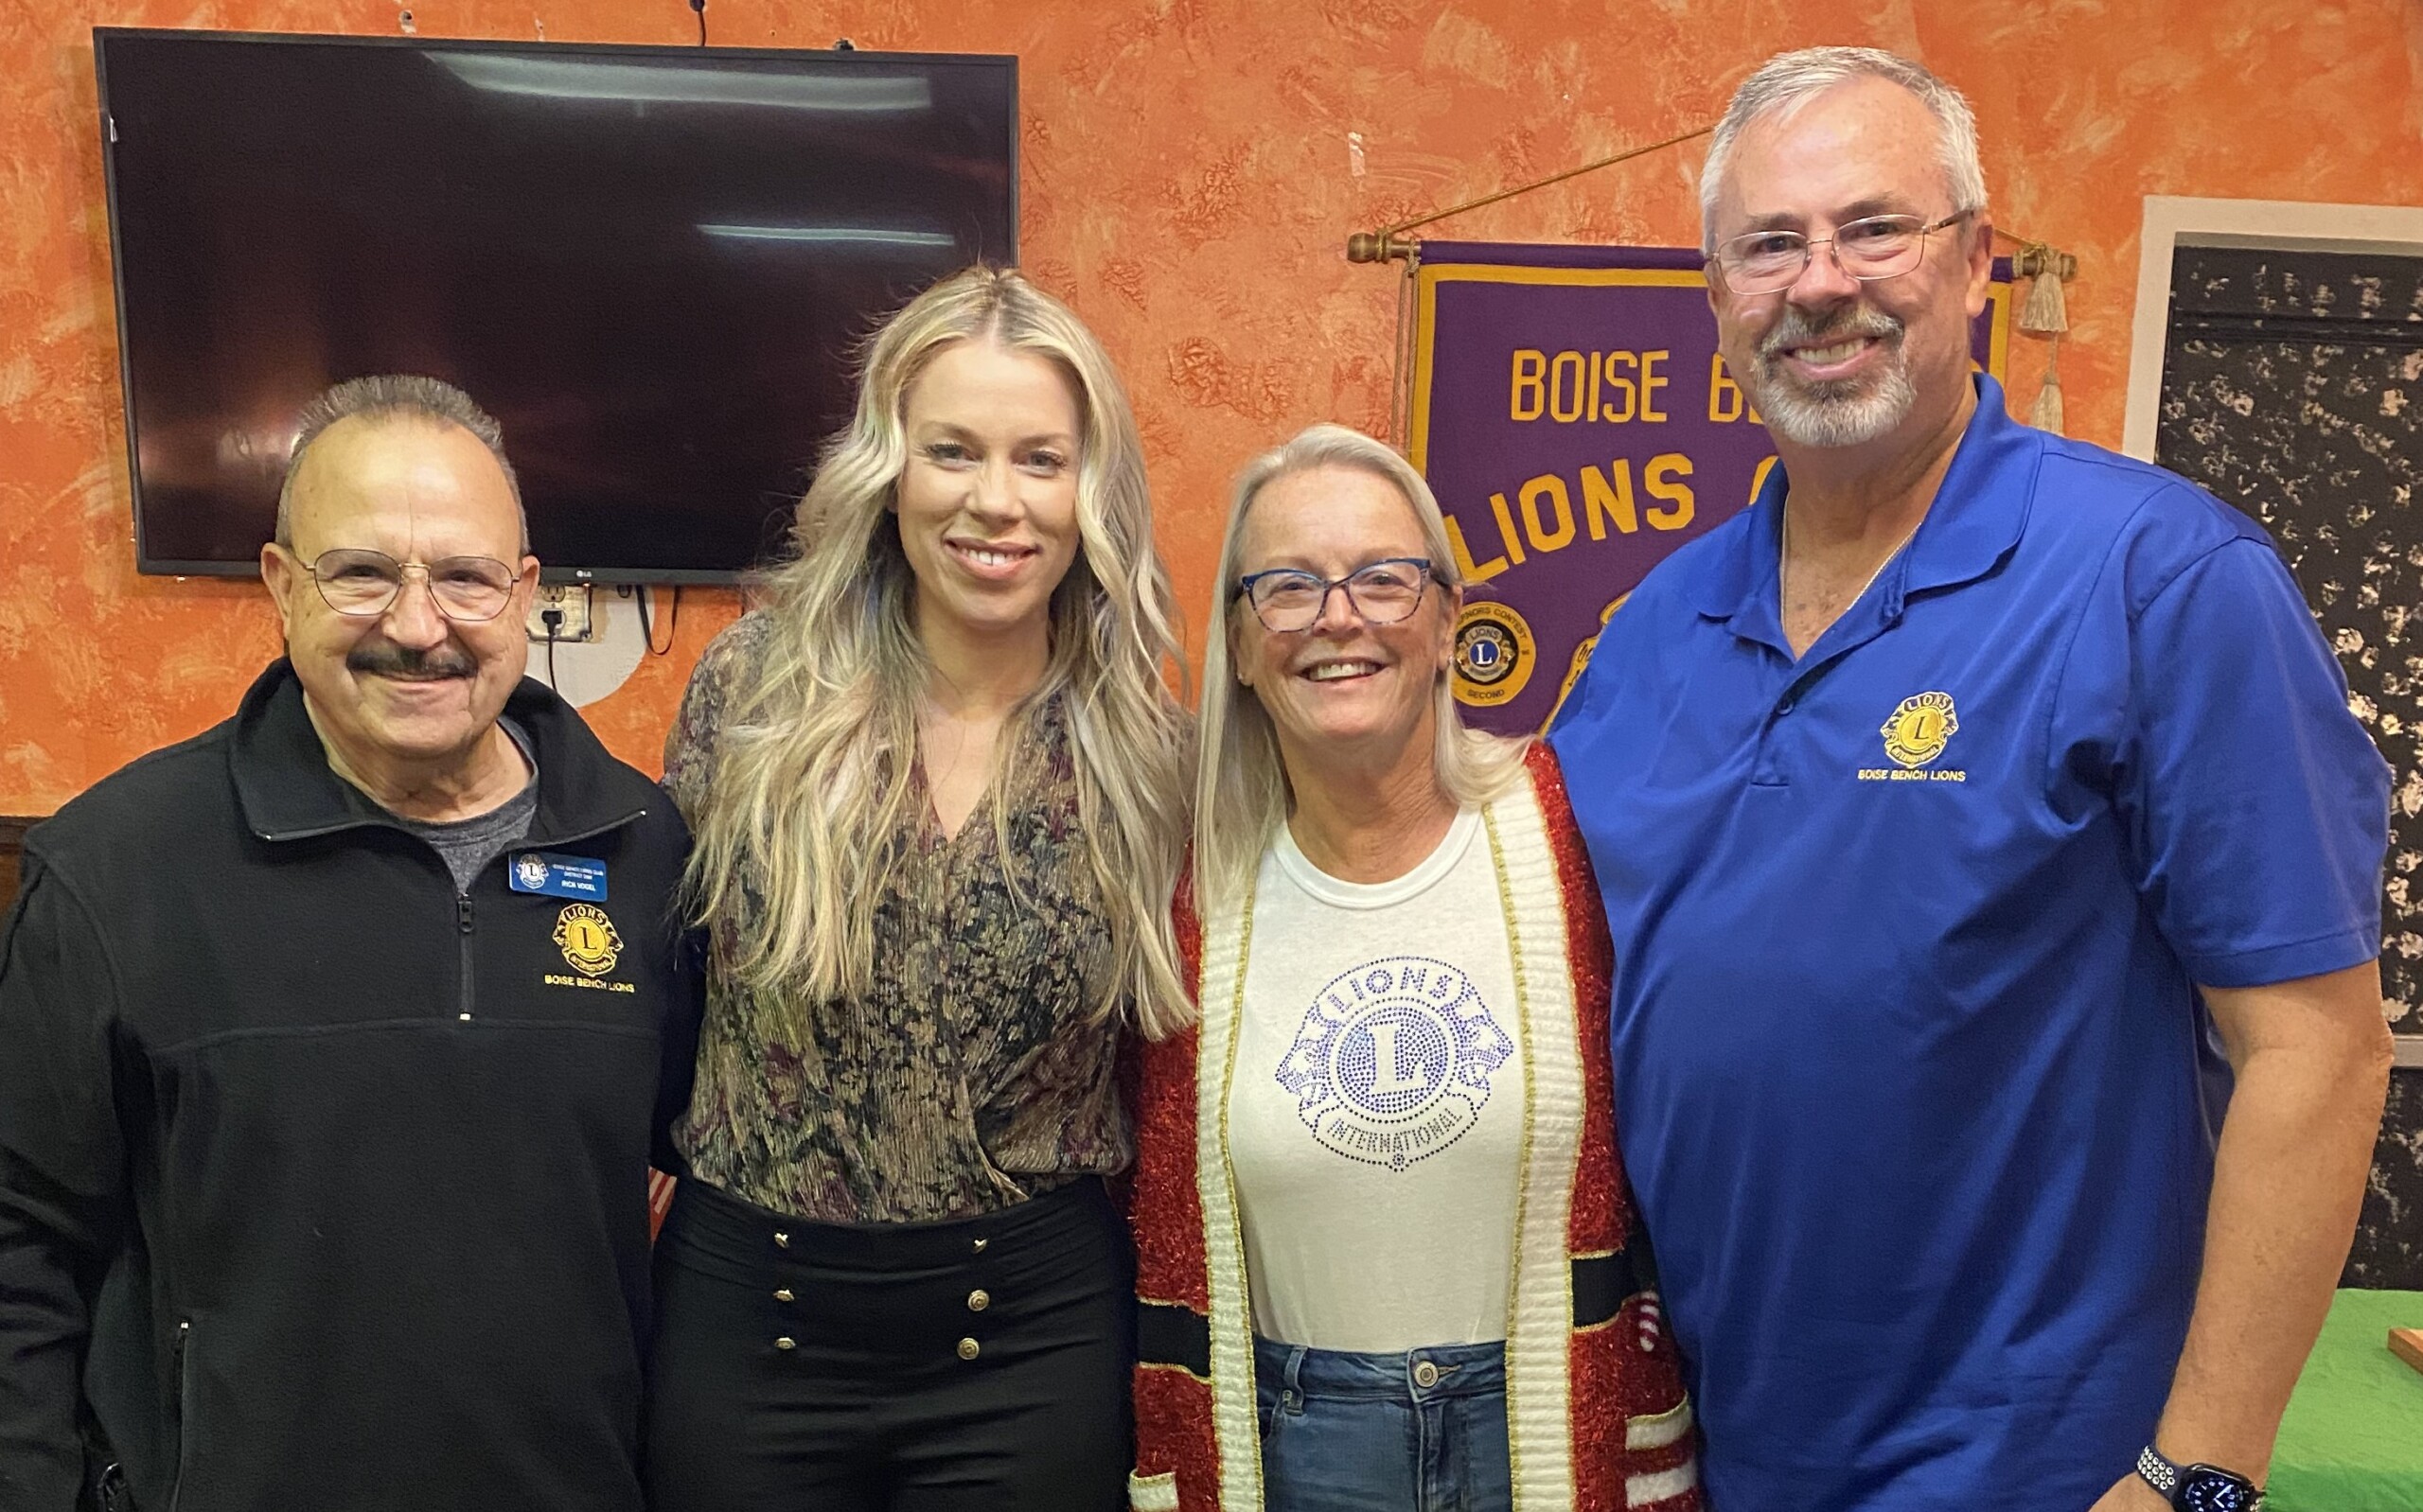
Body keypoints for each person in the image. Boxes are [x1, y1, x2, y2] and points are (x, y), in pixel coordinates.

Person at [1550, 45, 2396, 1512]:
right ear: (1717, 296)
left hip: (2046, 1471)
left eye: (1874, 227)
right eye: (1769, 244)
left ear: (1974, 259)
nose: (1822, 282)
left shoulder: (2160, 580)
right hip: (1714, 1457)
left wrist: (2198, 1474)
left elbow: (2320, 1051)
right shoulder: (1648, 635)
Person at [0, 375, 702, 1511]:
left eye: (465, 577)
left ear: (524, 592)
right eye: (362, 572)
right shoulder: (118, 869)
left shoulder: (645, 849)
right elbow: (19, 1236)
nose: (418, 627)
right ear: (281, 584)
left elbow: (711, 1173)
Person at [645, 266, 1190, 1512]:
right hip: (754, 1319)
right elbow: (665, 985)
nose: (997, 500)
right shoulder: (756, 692)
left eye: (1041, 459)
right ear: (889, 470)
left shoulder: (1143, 746)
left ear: (1089, 490)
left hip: (1031, 1332)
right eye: (953, 450)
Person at [1123, 423, 1699, 1512]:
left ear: (1445, 623)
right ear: (1239, 644)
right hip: (1291, 1448)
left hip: (1545, 1435)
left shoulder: (1575, 835)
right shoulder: (1180, 895)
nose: (1337, 616)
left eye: (1382, 578)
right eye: (1287, 586)